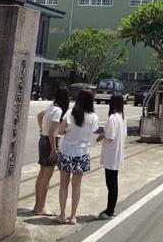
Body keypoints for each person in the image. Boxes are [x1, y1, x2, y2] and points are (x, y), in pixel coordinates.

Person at [57, 88, 99, 224]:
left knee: (63, 184)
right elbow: (93, 131)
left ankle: (62, 214)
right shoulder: (93, 117)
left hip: (66, 151)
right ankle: (73, 216)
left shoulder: (70, 113)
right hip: (81, 153)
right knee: (77, 186)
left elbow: (61, 131)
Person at [34, 86, 69, 215]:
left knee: (42, 174)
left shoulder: (51, 106)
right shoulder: (58, 110)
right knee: (46, 177)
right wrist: (54, 149)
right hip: (50, 142)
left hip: (43, 140)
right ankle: (41, 207)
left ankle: (37, 205)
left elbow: (39, 116)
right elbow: (52, 131)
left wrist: (41, 129)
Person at [97, 93, 127, 220]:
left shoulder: (113, 118)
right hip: (117, 154)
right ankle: (111, 208)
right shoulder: (122, 118)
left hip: (111, 155)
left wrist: (101, 135)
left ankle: (110, 210)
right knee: (113, 182)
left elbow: (109, 135)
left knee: (111, 183)